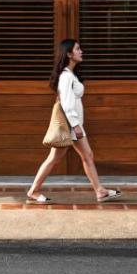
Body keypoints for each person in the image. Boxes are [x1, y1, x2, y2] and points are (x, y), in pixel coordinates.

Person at [25, 39, 121, 204]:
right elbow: (67, 103)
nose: (81, 51)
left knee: (86, 155)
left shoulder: (70, 75)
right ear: (69, 54)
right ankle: (34, 191)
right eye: (78, 49)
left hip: (74, 125)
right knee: (58, 158)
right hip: (71, 126)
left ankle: (100, 191)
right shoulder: (66, 76)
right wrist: (76, 126)